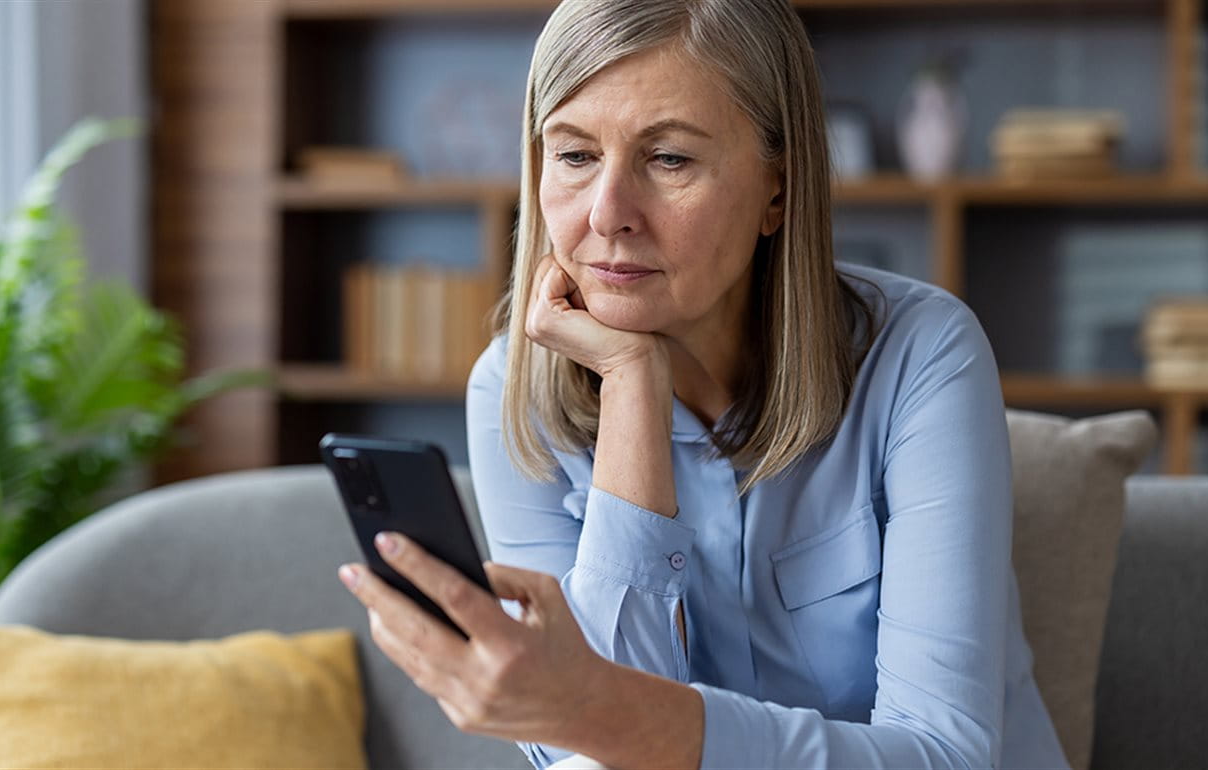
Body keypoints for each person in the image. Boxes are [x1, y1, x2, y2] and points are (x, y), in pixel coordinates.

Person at [335, 1, 1071, 767]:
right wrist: (631, 388)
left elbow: (947, 755)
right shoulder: (510, 391)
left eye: (670, 160)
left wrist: (602, 711)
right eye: (575, 156)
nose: (608, 214)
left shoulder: (923, 355)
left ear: (777, 191)